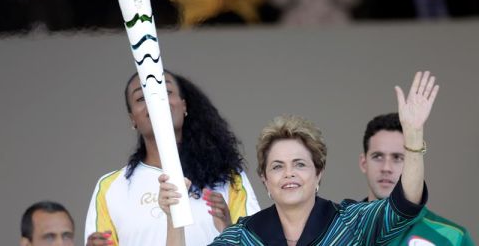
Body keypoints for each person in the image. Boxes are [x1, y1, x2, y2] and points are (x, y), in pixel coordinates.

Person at [160, 71, 438, 245]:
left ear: (319, 173)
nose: (289, 173)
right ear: (265, 180)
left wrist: (413, 136)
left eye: (300, 164)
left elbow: (406, 203)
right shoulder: (242, 237)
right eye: (277, 166)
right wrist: (174, 218)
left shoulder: (352, 223)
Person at [84, 70, 260, 246]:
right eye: (141, 98)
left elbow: (255, 240)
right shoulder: (110, 188)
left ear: (184, 106)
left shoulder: (227, 178)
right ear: (132, 119)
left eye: (165, 92)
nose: (154, 100)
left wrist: (228, 228)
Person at [359, 113, 474, 245]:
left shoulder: (452, 238)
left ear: (413, 164)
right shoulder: (339, 227)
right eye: (378, 156)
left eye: (397, 157)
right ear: (363, 163)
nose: (386, 167)